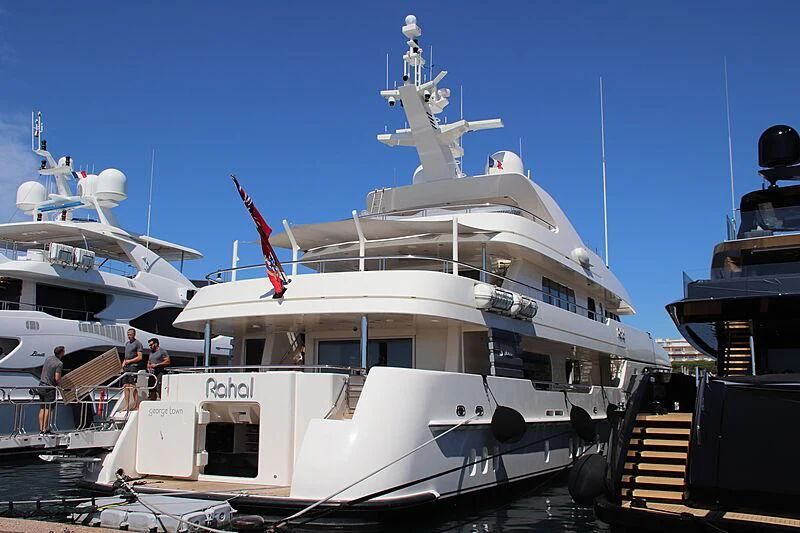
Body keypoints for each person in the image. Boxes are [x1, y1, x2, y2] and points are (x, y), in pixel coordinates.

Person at [37, 346, 65, 434]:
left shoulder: (48, 358)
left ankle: (41, 428)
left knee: (42, 408)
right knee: (48, 409)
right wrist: (61, 385)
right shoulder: (59, 363)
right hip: (49, 388)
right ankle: (45, 429)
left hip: (41, 386)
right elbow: (57, 378)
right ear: (61, 353)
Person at [122, 328, 144, 410]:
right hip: (126, 366)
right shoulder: (127, 343)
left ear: (134, 335)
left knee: (132, 385)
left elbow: (140, 357)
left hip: (133, 366)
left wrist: (129, 361)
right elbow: (125, 357)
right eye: (128, 335)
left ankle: (136, 404)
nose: (129, 336)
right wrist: (123, 365)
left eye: (130, 335)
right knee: (125, 386)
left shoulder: (138, 344)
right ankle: (127, 405)